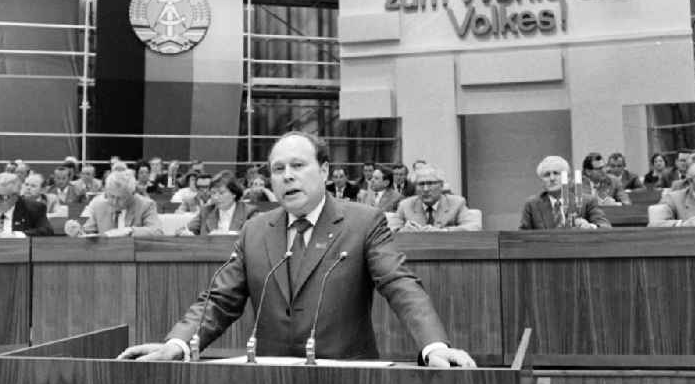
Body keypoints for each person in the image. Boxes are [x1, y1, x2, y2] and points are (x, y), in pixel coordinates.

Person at [117, 131, 476, 367]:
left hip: (348, 382)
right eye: (278, 169)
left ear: (324, 171)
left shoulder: (364, 222)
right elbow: (219, 299)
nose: (287, 175)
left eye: (298, 166)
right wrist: (177, 344)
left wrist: (434, 347)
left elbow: (401, 286)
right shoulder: (256, 229)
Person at [519, 156, 610, 230]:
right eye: (547, 175)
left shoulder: (587, 201)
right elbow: (522, 237)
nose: (552, 178)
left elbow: (606, 227)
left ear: (568, 178)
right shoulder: (532, 205)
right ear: (541, 181)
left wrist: (590, 227)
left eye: (556, 173)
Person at [68, 171, 162, 237]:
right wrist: (77, 232)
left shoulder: (146, 205)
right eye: (111, 196)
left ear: (132, 194)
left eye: (120, 198)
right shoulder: (99, 205)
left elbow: (157, 232)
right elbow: (88, 233)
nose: (114, 202)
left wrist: (129, 231)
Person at [396, 164, 481, 231]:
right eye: (421, 184)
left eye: (430, 184)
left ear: (441, 185)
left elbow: (473, 227)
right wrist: (403, 231)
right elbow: (389, 232)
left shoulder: (457, 203)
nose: (425, 189)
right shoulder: (405, 205)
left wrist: (444, 231)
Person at [181, 172, 257, 235]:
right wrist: (186, 234)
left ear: (234, 194)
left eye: (221, 193)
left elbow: (255, 236)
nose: (216, 197)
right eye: (213, 193)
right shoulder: (206, 211)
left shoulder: (249, 212)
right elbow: (182, 231)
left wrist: (227, 234)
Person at [0, 173, 53, 237]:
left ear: (15, 197)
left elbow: (46, 231)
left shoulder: (33, 208)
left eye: (3, 197)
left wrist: (17, 235)